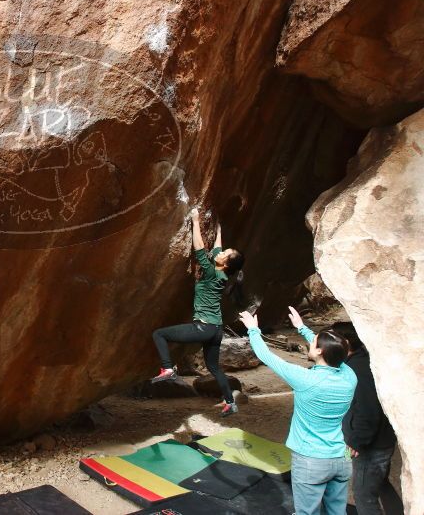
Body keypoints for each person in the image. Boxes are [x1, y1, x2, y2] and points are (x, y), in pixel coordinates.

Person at [239, 307, 356, 515]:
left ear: (320, 351)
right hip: (342, 457)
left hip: (311, 459)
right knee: (338, 512)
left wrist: (253, 330)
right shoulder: (349, 376)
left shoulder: (306, 380)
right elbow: (334, 351)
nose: (310, 344)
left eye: (313, 343)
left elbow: (268, 357)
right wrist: (302, 328)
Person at [150, 207, 245, 417]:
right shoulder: (222, 274)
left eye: (227, 253)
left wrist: (194, 220)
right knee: (214, 368)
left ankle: (167, 368)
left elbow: (199, 248)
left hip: (203, 327)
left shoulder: (211, 271)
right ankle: (230, 402)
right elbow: (218, 250)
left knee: (159, 334)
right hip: (216, 329)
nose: (223, 251)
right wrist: (219, 231)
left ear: (225, 262)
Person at [335, 321, 404, 515]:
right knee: (380, 484)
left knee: (364, 495)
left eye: (331, 340)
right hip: (379, 442)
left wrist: (356, 442)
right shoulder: (361, 362)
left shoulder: (358, 370)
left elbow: (369, 411)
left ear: (345, 343)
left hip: (370, 447)